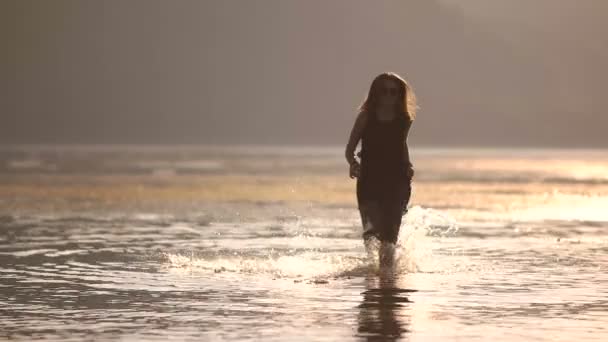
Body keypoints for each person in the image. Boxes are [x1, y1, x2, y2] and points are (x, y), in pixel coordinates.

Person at [344, 72, 416, 266]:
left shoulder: (404, 119)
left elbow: (402, 144)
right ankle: (373, 272)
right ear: (376, 93)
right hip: (369, 179)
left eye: (393, 92)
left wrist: (408, 165)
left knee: (390, 232)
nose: (388, 96)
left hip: (397, 179)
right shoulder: (366, 117)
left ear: (399, 95)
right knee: (372, 230)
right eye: (384, 91)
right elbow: (349, 150)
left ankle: (387, 277)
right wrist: (353, 163)